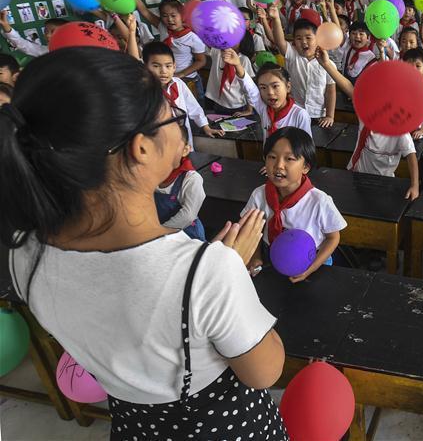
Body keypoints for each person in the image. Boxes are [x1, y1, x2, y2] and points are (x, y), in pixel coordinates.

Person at [1, 48, 287, 437]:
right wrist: (231, 271)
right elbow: (264, 371)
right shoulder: (205, 272)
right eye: (173, 117)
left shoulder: (24, 253)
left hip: (137, 425)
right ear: (141, 147)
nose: (179, 128)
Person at [242, 127, 346, 282]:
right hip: (271, 257)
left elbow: (333, 238)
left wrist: (310, 269)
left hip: (312, 262)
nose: (278, 165)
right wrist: (255, 258)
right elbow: (251, 230)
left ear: (305, 167)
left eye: (289, 159)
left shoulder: (319, 201)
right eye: (272, 157)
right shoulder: (259, 194)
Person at [318, 49, 420, 200]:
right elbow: (349, 88)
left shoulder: (399, 131)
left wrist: (414, 185)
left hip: (383, 181)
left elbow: (411, 157)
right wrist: (326, 64)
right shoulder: (367, 114)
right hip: (355, 173)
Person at [142, 42, 223, 148]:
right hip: (161, 144)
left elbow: (194, 107)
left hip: (184, 141)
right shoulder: (145, 91)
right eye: (156, 66)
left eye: (168, 66)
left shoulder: (179, 84)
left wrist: (205, 127)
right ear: (145, 67)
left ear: (174, 66)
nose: (163, 71)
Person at [266, 10, 337, 127]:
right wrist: (275, 19)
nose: (303, 42)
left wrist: (330, 116)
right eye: (298, 38)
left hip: (317, 114)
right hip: (295, 111)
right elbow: (279, 41)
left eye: (308, 38)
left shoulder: (328, 64)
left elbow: (331, 91)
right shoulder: (293, 56)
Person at [134, 0, 208, 100]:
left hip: (188, 80)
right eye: (164, 16)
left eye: (173, 15)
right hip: (167, 77)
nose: (169, 19)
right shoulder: (163, 27)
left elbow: (201, 61)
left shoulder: (192, 38)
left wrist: (181, 74)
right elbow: (145, 11)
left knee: (195, 110)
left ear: (182, 16)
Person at [155, 124, 206, 240]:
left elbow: (188, 215)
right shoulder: (152, 176)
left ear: (185, 150)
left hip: (187, 237)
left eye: (172, 145)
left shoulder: (191, 179)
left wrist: (159, 233)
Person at [239, 63, 312, 140]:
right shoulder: (264, 109)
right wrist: (237, 65)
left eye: (275, 86)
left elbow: (306, 146)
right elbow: (250, 89)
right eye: (263, 88)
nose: (270, 92)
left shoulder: (300, 115)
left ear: (288, 87)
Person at [0, 16, 67, 57]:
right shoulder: (45, 51)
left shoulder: (74, 53)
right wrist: (5, 25)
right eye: (46, 31)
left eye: (53, 31)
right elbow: (22, 44)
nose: (48, 35)